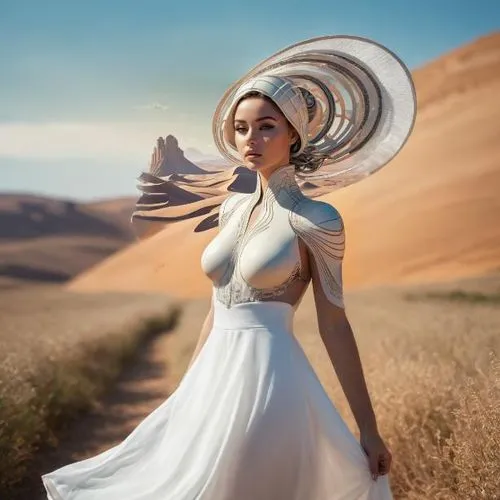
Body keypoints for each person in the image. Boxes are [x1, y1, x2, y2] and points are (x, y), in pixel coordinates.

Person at [42, 35, 416, 499]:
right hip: (211, 383)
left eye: (265, 127)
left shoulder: (318, 219)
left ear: (293, 134)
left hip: (273, 385)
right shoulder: (231, 210)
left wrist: (369, 428)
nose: (250, 140)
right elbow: (216, 309)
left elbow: (334, 323)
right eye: (241, 128)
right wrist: (186, 395)